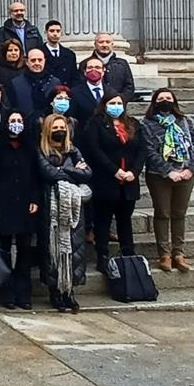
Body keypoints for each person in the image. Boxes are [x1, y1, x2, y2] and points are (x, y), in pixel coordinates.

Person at [142, 86, 194, 274]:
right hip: (159, 176)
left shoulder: (186, 121)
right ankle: (164, 254)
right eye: (161, 98)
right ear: (155, 102)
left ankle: (178, 253)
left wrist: (191, 169)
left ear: (174, 101)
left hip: (186, 174)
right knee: (162, 213)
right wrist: (168, 171)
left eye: (168, 98)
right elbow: (148, 151)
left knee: (179, 213)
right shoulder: (146, 124)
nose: (165, 101)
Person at [79, 86, 145, 271]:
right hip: (106, 180)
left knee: (125, 219)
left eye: (119, 103)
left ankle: (128, 254)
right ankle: (102, 255)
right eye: (112, 103)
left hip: (129, 181)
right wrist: (114, 170)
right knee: (103, 220)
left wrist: (134, 171)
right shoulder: (96, 123)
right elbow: (94, 150)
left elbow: (141, 149)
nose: (116, 106)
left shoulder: (132, 123)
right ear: (104, 105)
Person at [0, 110, 40, 311]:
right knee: (4, 249)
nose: (16, 123)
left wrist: (35, 199)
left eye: (19, 120)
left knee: (25, 250)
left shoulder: (29, 145)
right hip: (3, 203)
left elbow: (36, 175)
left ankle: (24, 293)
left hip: (25, 204)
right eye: (12, 120)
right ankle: (6, 292)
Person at [36, 112, 93, 313]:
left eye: (62, 128)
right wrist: (73, 172)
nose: (59, 131)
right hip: (50, 206)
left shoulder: (74, 151)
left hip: (73, 209)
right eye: (55, 128)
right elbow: (48, 173)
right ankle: (55, 291)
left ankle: (69, 291)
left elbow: (87, 173)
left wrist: (64, 172)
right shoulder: (41, 151)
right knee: (53, 249)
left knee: (73, 250)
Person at [87, 34, 137, 99]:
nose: (104, 45)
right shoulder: (85, 64)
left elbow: (129, 87)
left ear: (112, 44)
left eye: (108, 42)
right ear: (95, 44)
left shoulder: (122, 64)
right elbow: (81, 87)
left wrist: (120, 99)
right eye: (101, 42)